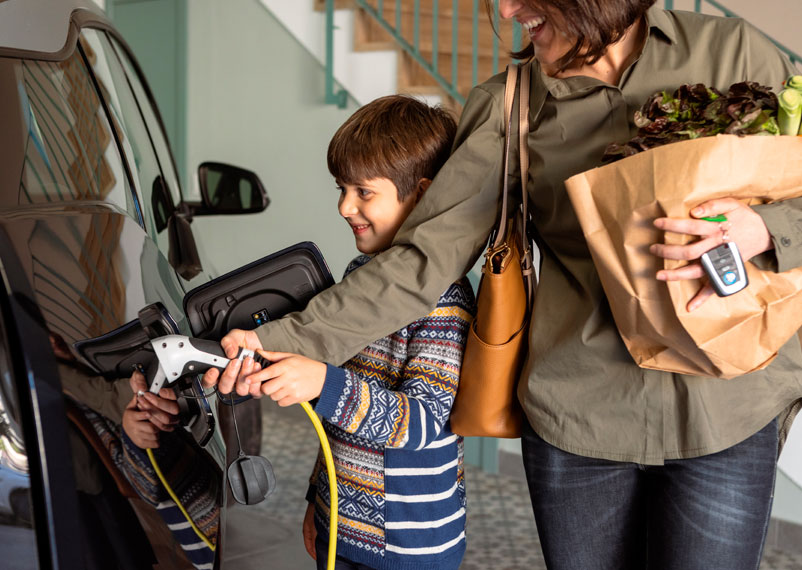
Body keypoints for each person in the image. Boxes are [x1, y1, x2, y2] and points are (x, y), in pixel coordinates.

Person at [205, 2, 802, 569]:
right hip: (579, 419)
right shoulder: (509, 103)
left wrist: (764, 228)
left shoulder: (734, 54)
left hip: (727, 408)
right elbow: (422, 260)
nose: (510, 12)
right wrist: (280, 341)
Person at [206, 95, 474, 570]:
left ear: (423, 195)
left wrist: (324, 384)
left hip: (407, 548)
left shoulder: (444, 300)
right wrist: (318, 499)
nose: (344, 206)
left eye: (363, 192)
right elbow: (336, 420)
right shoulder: (358, 276)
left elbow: (427, 423)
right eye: (341, 189)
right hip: (341, 527)